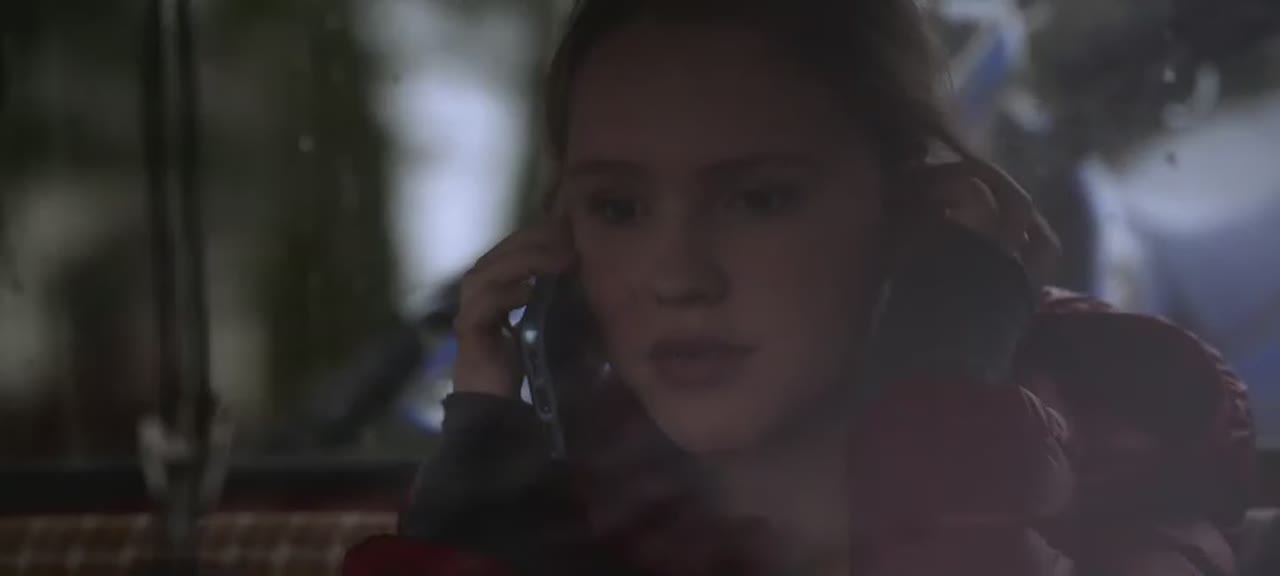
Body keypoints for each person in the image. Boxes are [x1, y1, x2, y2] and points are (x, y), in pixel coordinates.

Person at [346, 1, 1256, 575]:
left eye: (761, 199)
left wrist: (939, 406)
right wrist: (478, 518)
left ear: (911, 217)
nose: (680, 276)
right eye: (619, 208)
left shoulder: (1129, 493)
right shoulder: (573, 519)